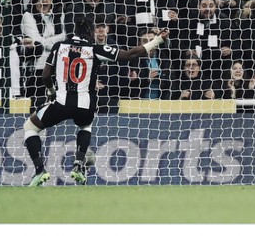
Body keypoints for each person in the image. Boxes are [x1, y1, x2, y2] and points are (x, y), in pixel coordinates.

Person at [22, 16, 168, 186]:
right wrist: (157, 40)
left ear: (74, 31)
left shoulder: (58, 47)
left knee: (30, 127)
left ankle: (40, 170)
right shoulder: (95, 49)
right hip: (85, 106)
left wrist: (51, 91)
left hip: (61, 103)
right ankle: (78, 165)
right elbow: (130, 54)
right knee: (85, 126)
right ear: (91, 32)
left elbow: (46, 75)